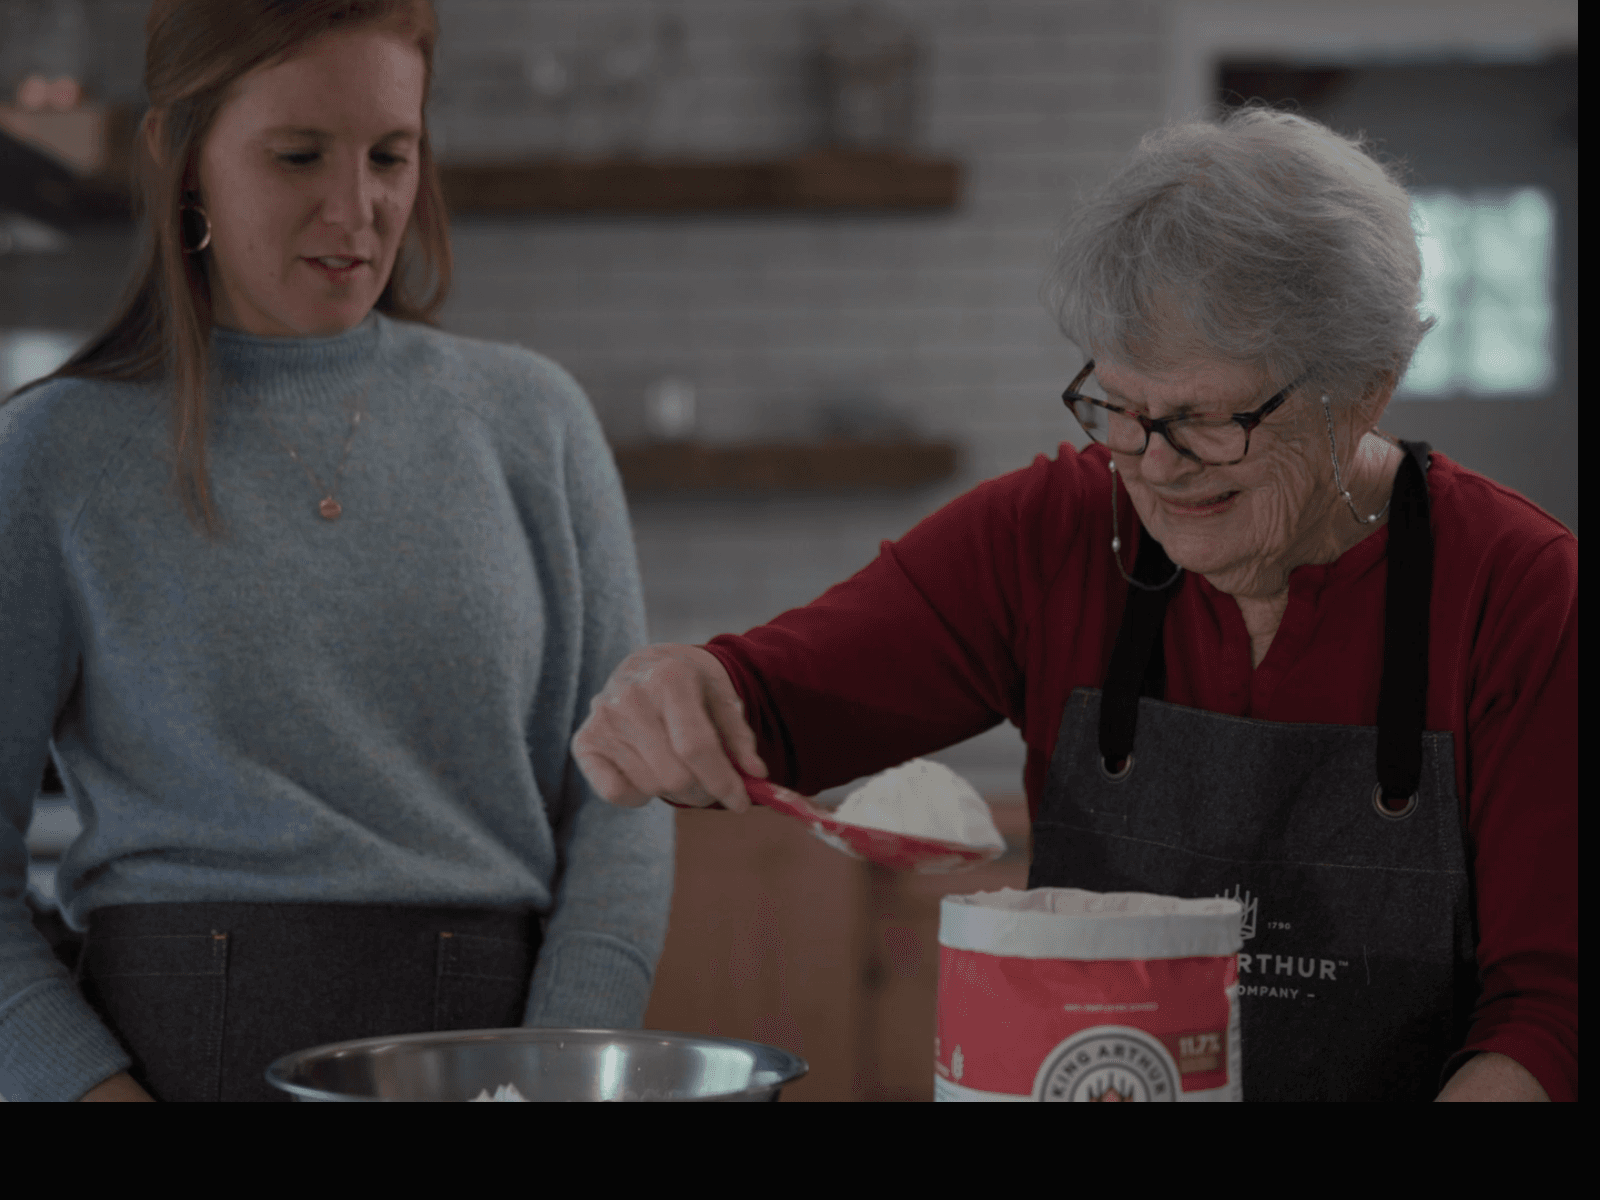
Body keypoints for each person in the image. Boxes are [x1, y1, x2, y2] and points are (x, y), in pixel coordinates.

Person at [572, 109, 1577, 1102]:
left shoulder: (1519, 591)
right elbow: (771, 702)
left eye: (1204, 420)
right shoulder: (1045, 536)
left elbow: (1550, 1011)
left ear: (1368, 386)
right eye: (1121, 409)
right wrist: (680, 692)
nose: (1151, 466)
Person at [0, 0, 672, 1103]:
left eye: (391, 155)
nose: (357, 209)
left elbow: (620, 802)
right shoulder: (52, 457)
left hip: (505, 1064)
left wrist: (564, 1070)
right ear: (180, 157)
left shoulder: (533, 423)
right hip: (173, 1067)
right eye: (298, 154)